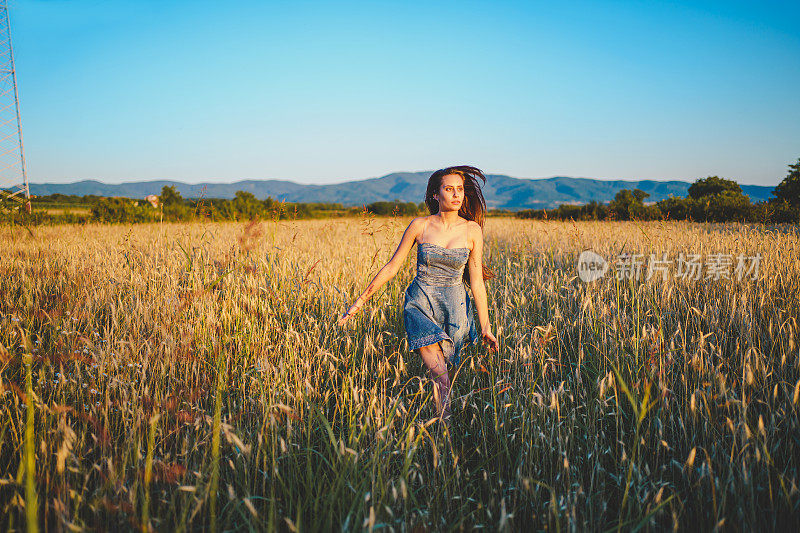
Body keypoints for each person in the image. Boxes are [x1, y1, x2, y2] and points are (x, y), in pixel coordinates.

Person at [337, 165, 500, 426]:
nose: (456, 195)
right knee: (441, 378)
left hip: (455, 306)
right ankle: (443, 436)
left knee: (447, 376)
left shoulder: (472, 231)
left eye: (460, 189)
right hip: (420, 304)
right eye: (449, 189)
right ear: (436, 195)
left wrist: (486, 327)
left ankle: (441, 430)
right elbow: (392, 267)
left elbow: (477, 283)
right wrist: (359, 302)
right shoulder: (420, 226)